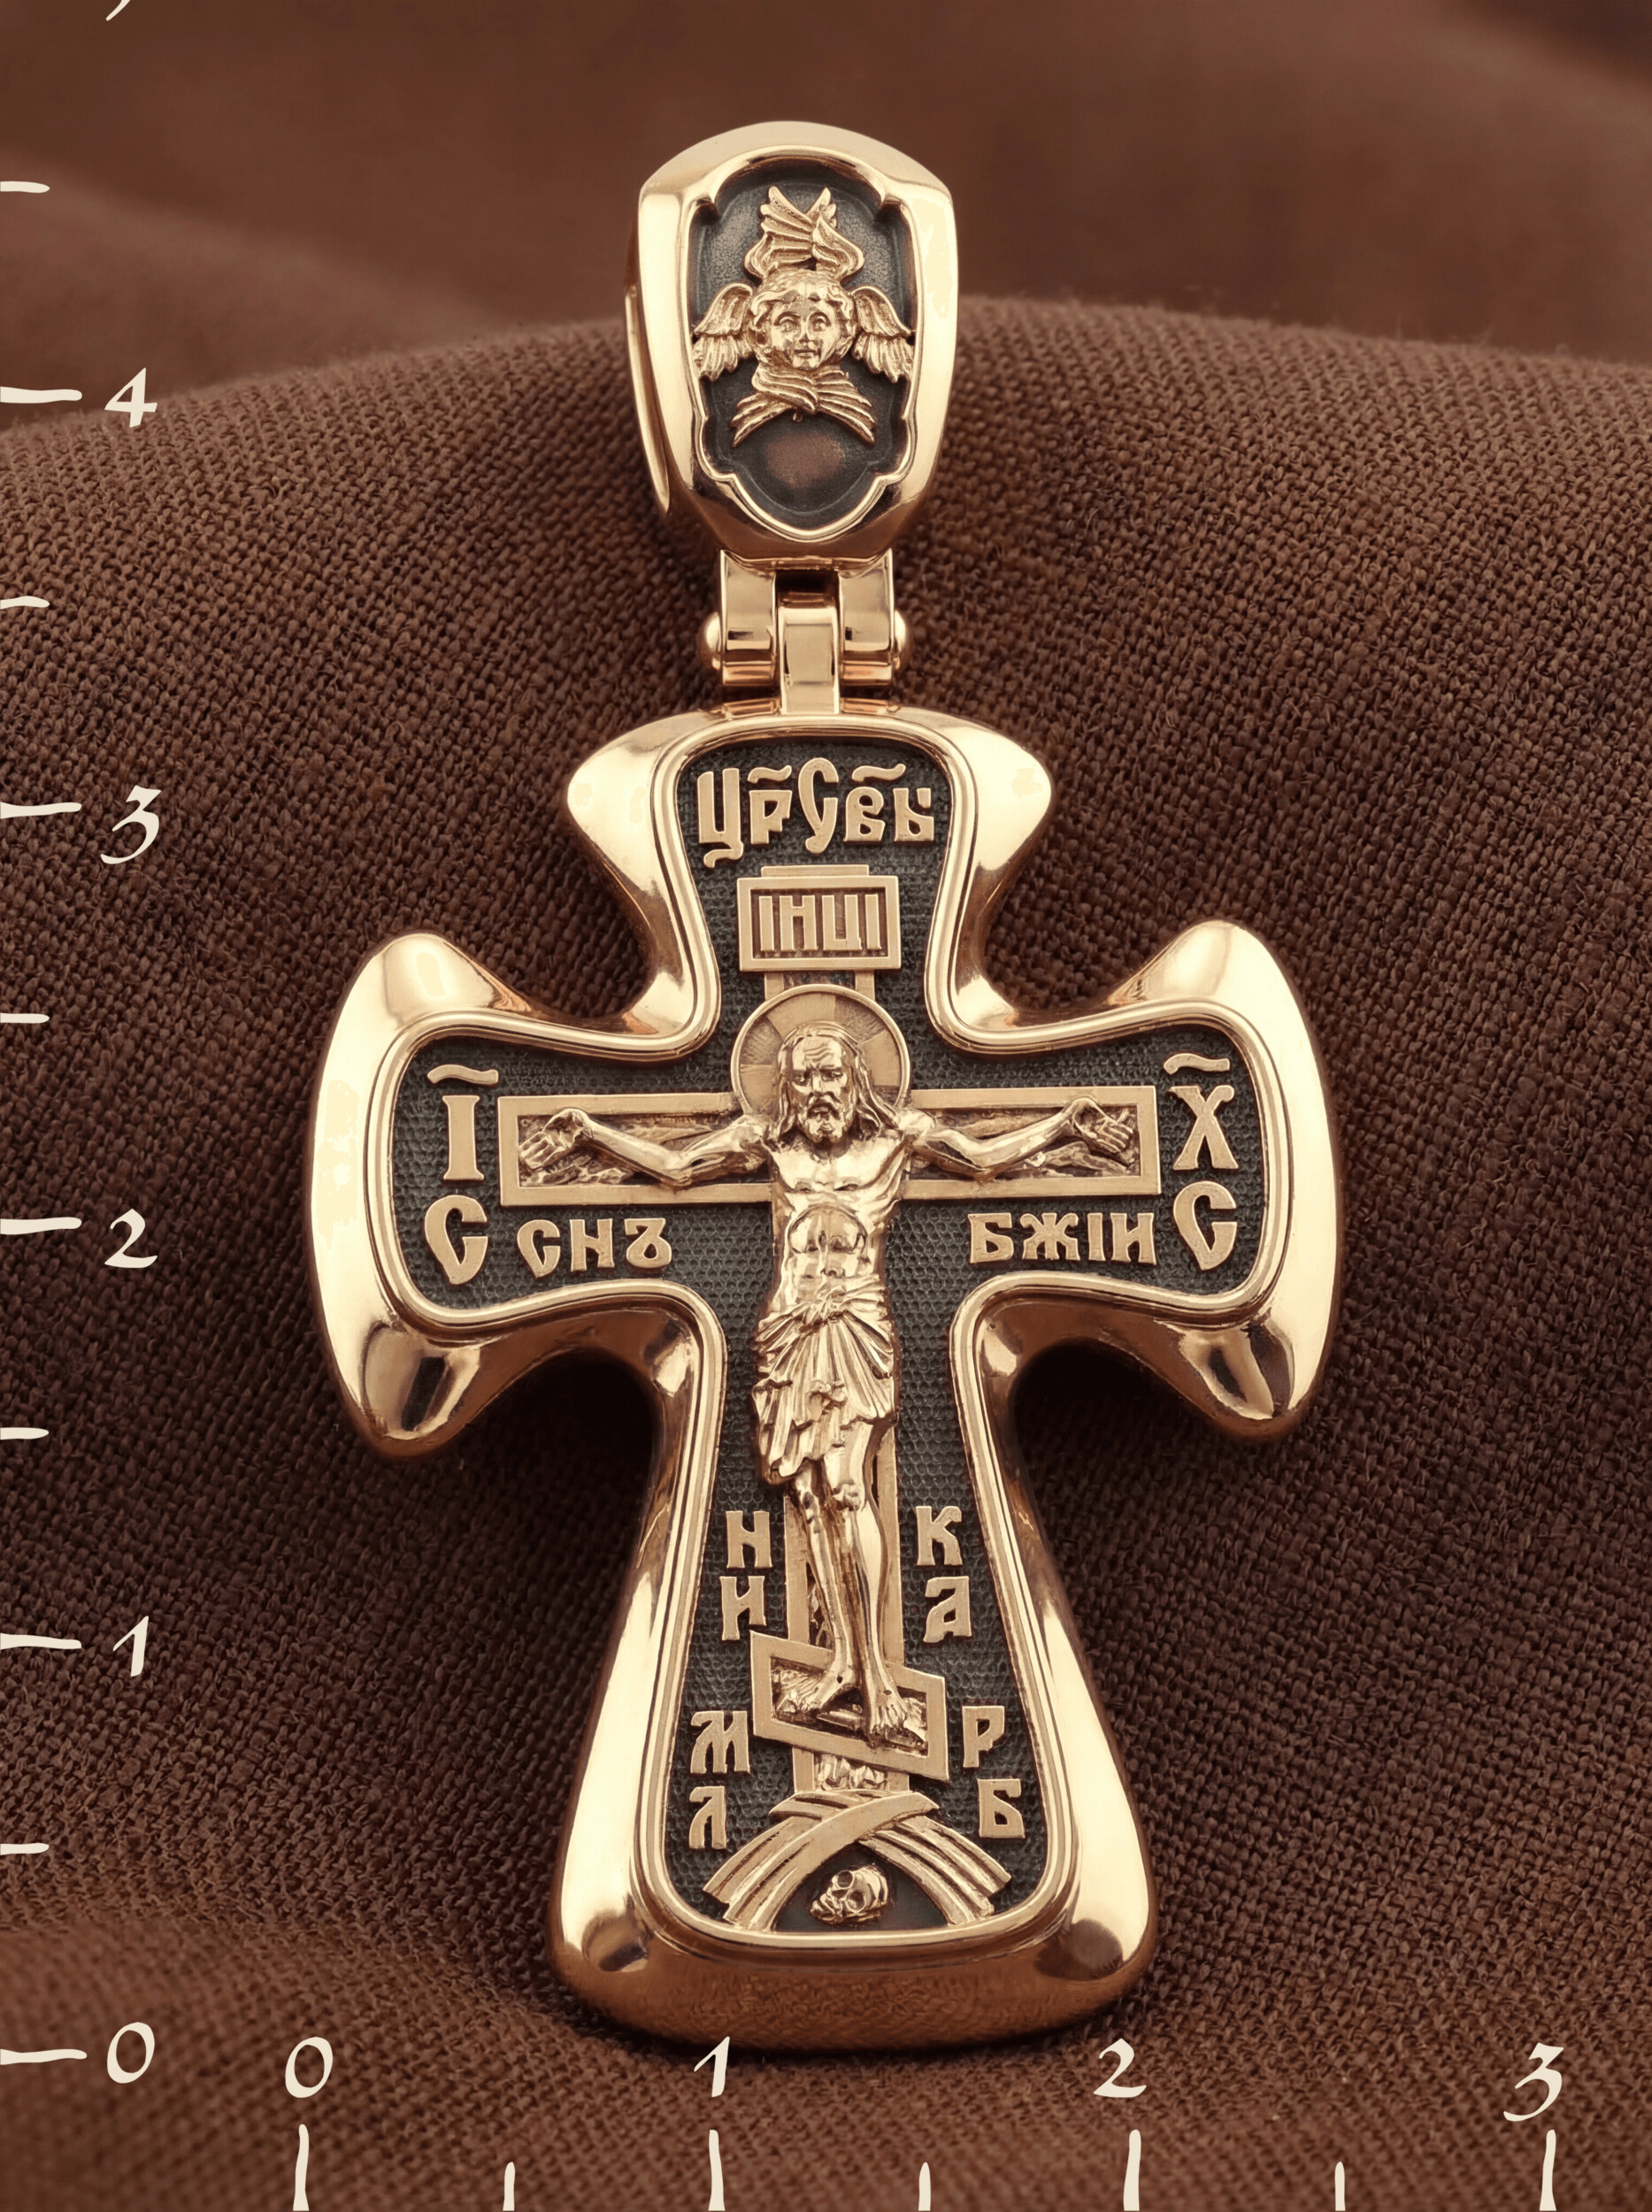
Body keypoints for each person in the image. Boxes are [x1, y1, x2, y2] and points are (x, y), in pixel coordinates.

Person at [521, 1021, 1131, 1745]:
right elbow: (677, 1167)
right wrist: (592, 1134)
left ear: (855, 1080)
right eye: (804, 1078)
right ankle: (843, 1665)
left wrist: (1063, 1126)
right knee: (810, 1497)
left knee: (846, 1487)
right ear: (786, 1086)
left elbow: (981, 1160)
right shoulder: (768, 1143)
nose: (818, 1091)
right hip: (789, 1330)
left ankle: (879, 1685)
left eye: (831, 1076)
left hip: (852, 1327)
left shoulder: (896, 1138)